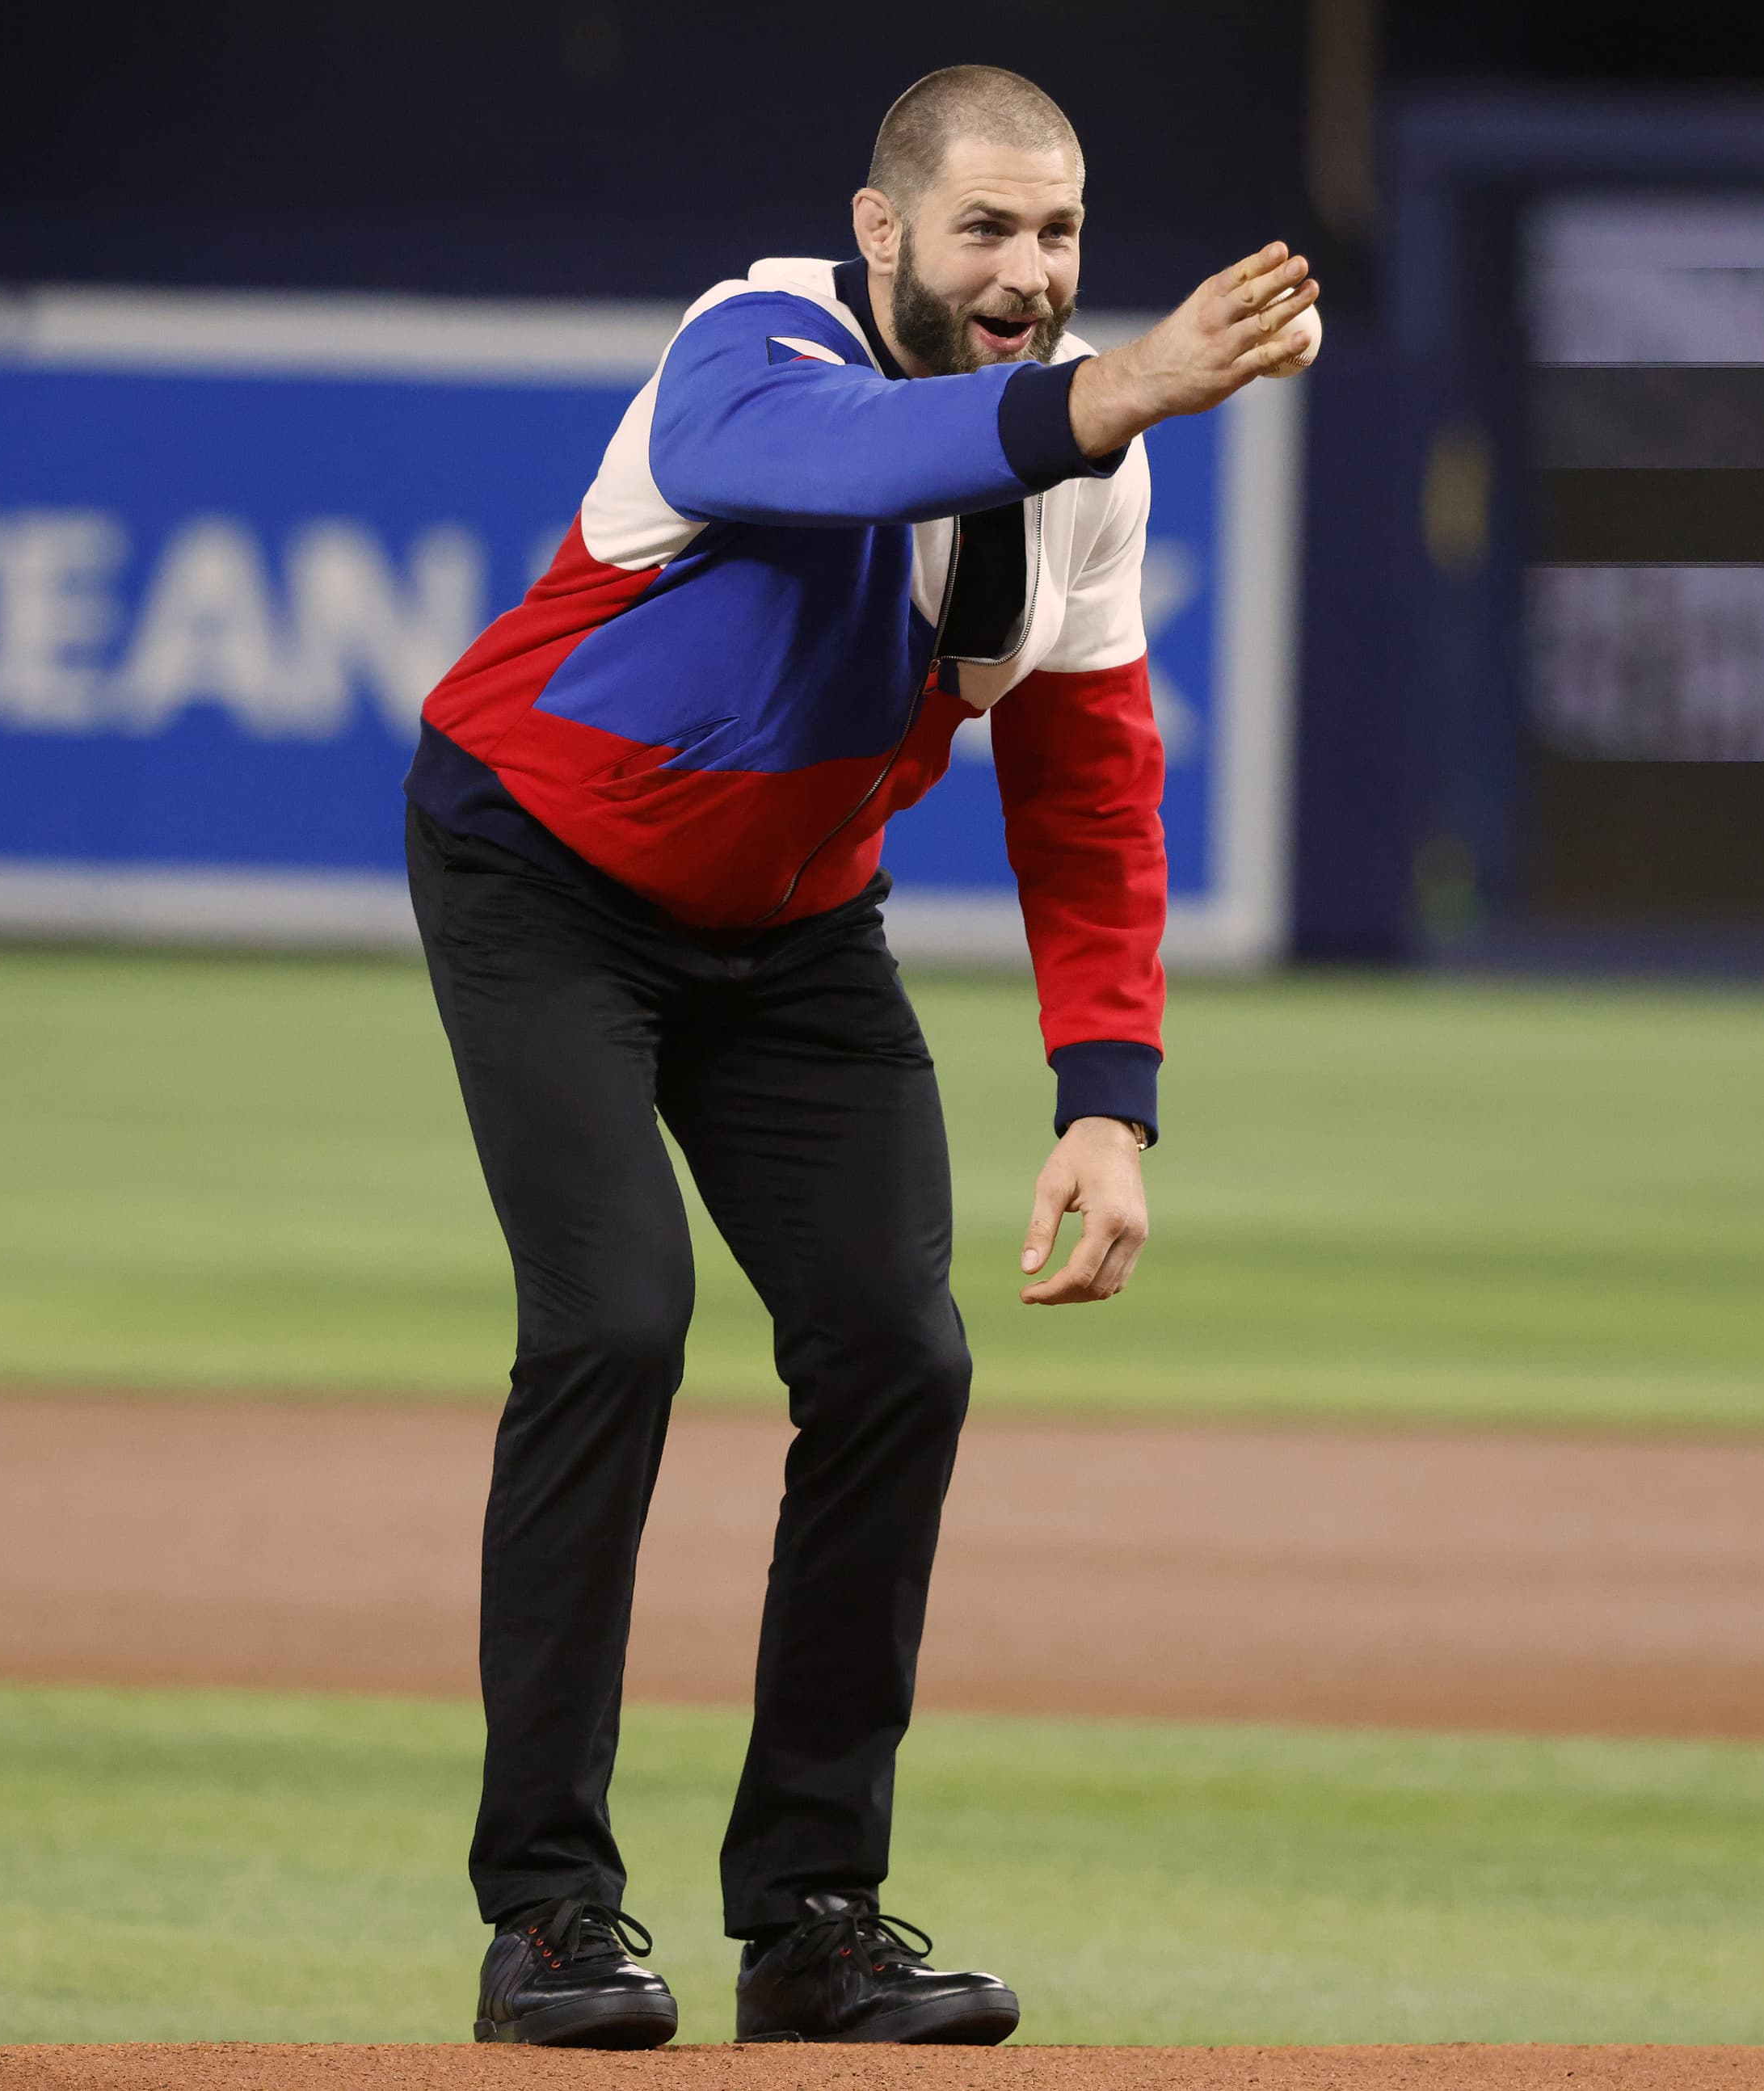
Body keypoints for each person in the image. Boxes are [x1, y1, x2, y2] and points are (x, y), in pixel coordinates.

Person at [401, 63, 1319, 2050]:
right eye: (986, 228)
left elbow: (1088, 787)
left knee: (900, 1355)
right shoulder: (754, 337)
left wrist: (1108, 1098)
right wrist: (1113, 390)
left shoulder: (1092, 449)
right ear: (885, 228)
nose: (1029, 270)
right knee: (617, 1322)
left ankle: (813, 1914)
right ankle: (549, 1911)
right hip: (538, 870)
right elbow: (810, 463)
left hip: (795, 928)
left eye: (1059, 233)